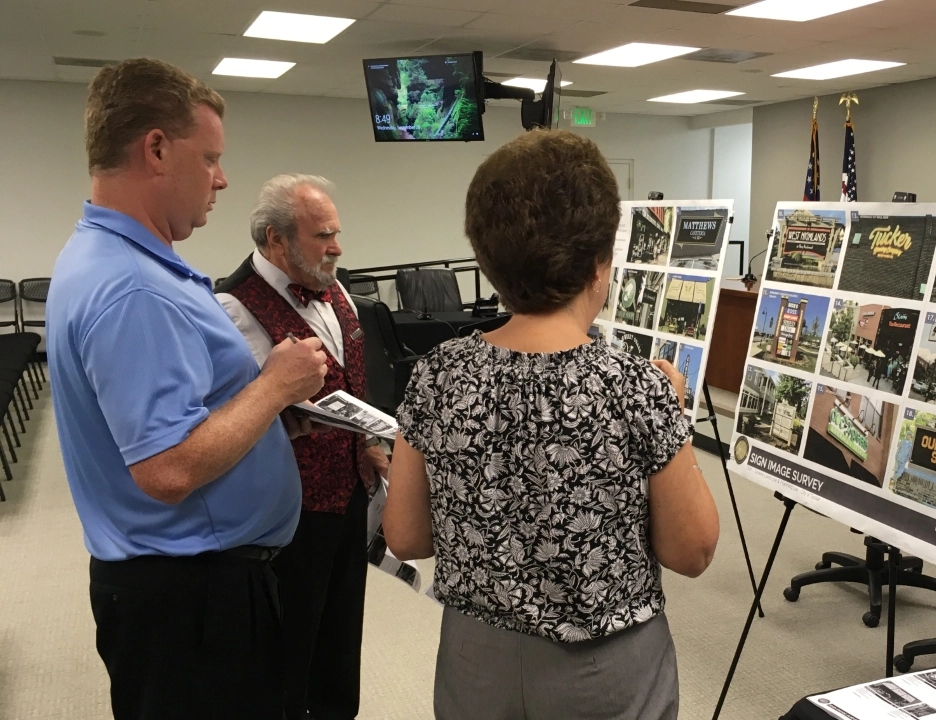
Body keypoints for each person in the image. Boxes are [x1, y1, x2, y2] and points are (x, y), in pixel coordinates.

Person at [382, 130, 721, 720]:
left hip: (475, 663)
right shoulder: (636, 386)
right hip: (605, 670)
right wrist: (673, 416)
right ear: (598, 263)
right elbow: (692, 550)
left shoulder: (437, 375)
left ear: (487, 259)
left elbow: (406, 536)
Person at [46, 58, 329, 720]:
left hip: (183, 592)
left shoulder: (113, 259)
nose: (222, 179)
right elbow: (167, 468)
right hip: (192, 602)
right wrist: (275, 387)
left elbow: (179, 418)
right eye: (210, 159)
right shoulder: (133, 287)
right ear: (155, 148)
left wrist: (269, 421)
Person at [215, 174, 388, 720]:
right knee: (290, 647)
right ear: (275, 240)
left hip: (351, 495)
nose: (337, 247)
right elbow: (230, 421)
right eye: (322, 236)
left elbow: (351, 382)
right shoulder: (231, 310)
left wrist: (368, 446)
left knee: (340, 638)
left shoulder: (336, 290)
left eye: (336, 232)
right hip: (287, 511)